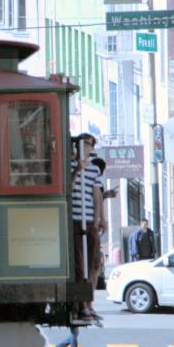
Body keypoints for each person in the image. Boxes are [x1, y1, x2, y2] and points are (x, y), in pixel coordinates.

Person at [71, 134, 104, 324]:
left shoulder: (93, 170)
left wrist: (99, 218)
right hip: (75, 221)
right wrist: (76, 170)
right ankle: (81, 306)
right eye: (81, 144)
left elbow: (97, 194)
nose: (85, 148)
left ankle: (89, 304)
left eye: (88, 145)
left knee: (93, 264)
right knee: (79, 265)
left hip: (89, 221)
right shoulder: (69, 166)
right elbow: (68, 187)